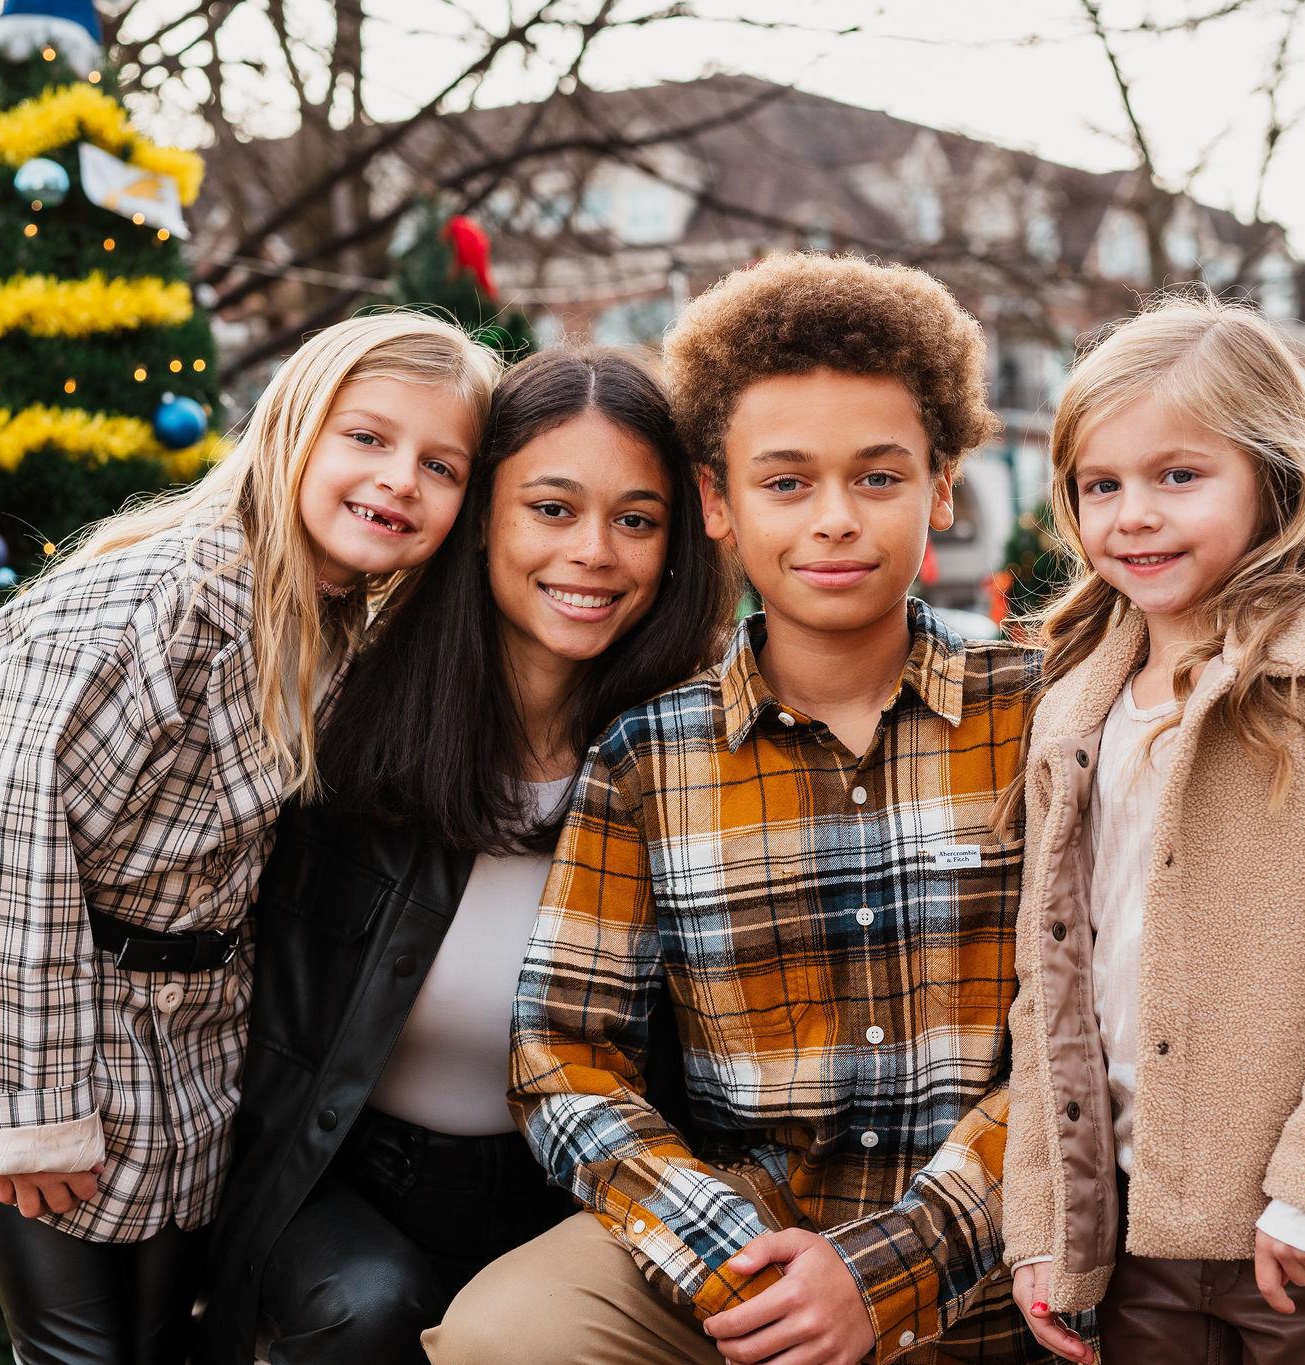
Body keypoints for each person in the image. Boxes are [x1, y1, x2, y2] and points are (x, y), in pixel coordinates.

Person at [428, 253, 1046, 1365]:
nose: (834, 521)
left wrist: (890, 1268)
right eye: (785, 481)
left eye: (877, 477)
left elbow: (1090, 1045)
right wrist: (731, 1257)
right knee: (504, 1334)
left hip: (1007, 1250)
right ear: (715, 502)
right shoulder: (649, 758)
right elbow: (564, 1051)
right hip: (746, 1244)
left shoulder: (1045, 714)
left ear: (941, 486)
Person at [0, 311, 503, 1365]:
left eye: (440, 464)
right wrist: (29, 1108)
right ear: (293, 428)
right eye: (368, 439)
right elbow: (1, 856)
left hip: (186, 1038)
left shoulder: (329, 622)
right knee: (76, 1353)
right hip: (40, 1023)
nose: (399, 480)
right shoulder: (152, 605)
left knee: (162, 1342)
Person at [200, 347, 732, 1364]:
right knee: (372, 1307)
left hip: (574, 1197)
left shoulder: (692, 755)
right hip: (343, 1191)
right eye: (551, 508)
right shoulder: (342, 720)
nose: (593, 553)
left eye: (635, 519)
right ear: (483, 513)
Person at [997, 293, 1305, 1365]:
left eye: (1177, 476)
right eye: (1101, 484)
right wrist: (1043, 1225)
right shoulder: (1071, 707)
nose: (1132, 514)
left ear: (1270, 478)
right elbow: (1048, 986)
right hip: (1135, 1232)